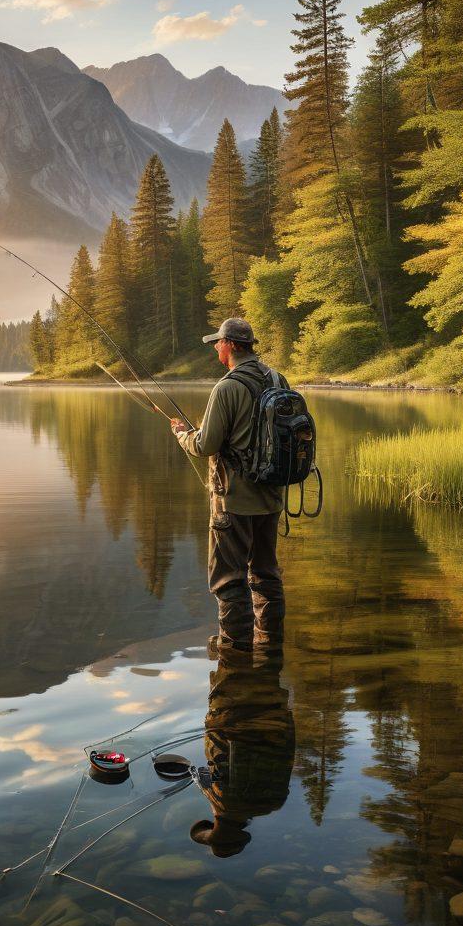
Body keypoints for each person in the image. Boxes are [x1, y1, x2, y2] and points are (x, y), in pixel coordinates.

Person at [171, 317, 287, 649]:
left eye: (219, 343)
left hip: (234, 500)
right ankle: (269, 641)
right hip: (272, 496)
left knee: (229, 578)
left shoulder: (227, 387)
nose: (216, 349)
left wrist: (183, 435)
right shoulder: (278, 379)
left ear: (232, 345)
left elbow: (204, 445)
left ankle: (235, 649)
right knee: (266, 573)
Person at [189, 641, 295, 857]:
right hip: (234, 705)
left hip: (273, 706)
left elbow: (287, 754)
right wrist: (213, 801)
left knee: (268, 641)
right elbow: (203, 772)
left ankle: (268, 612)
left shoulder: (275, 802)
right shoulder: (219, 799)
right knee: (234, 638)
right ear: (216, 825)